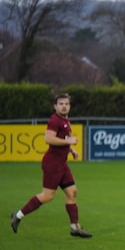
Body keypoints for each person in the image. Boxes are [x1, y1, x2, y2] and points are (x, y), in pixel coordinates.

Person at [10, 93, 92, 238]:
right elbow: (49, 139)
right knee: (48, 196)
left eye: (66, 103)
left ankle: (75, 228)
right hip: (53, 164)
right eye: (61, 104)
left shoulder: (66, 120)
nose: (64, 106)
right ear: (55, 106)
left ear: (70, 106)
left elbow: (63, 139)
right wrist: (69, 142)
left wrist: (71, 150)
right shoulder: (55, 120)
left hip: (62, 163)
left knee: (72, 192)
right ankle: (17, 216)